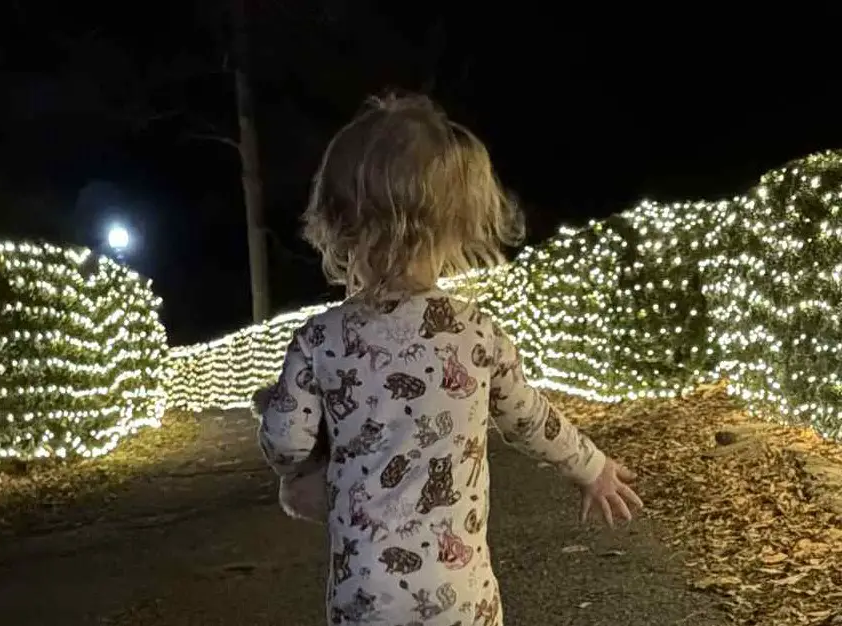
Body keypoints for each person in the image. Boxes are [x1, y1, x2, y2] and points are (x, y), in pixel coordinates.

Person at [253, 92, 643, 626]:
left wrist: (299, 475)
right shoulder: (474, 332)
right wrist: (592, 468)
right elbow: (530, 418)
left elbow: (286, 438)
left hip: (365, 598)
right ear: (457, 223)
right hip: (460, 595)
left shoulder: (320, 340)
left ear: (338, 222)